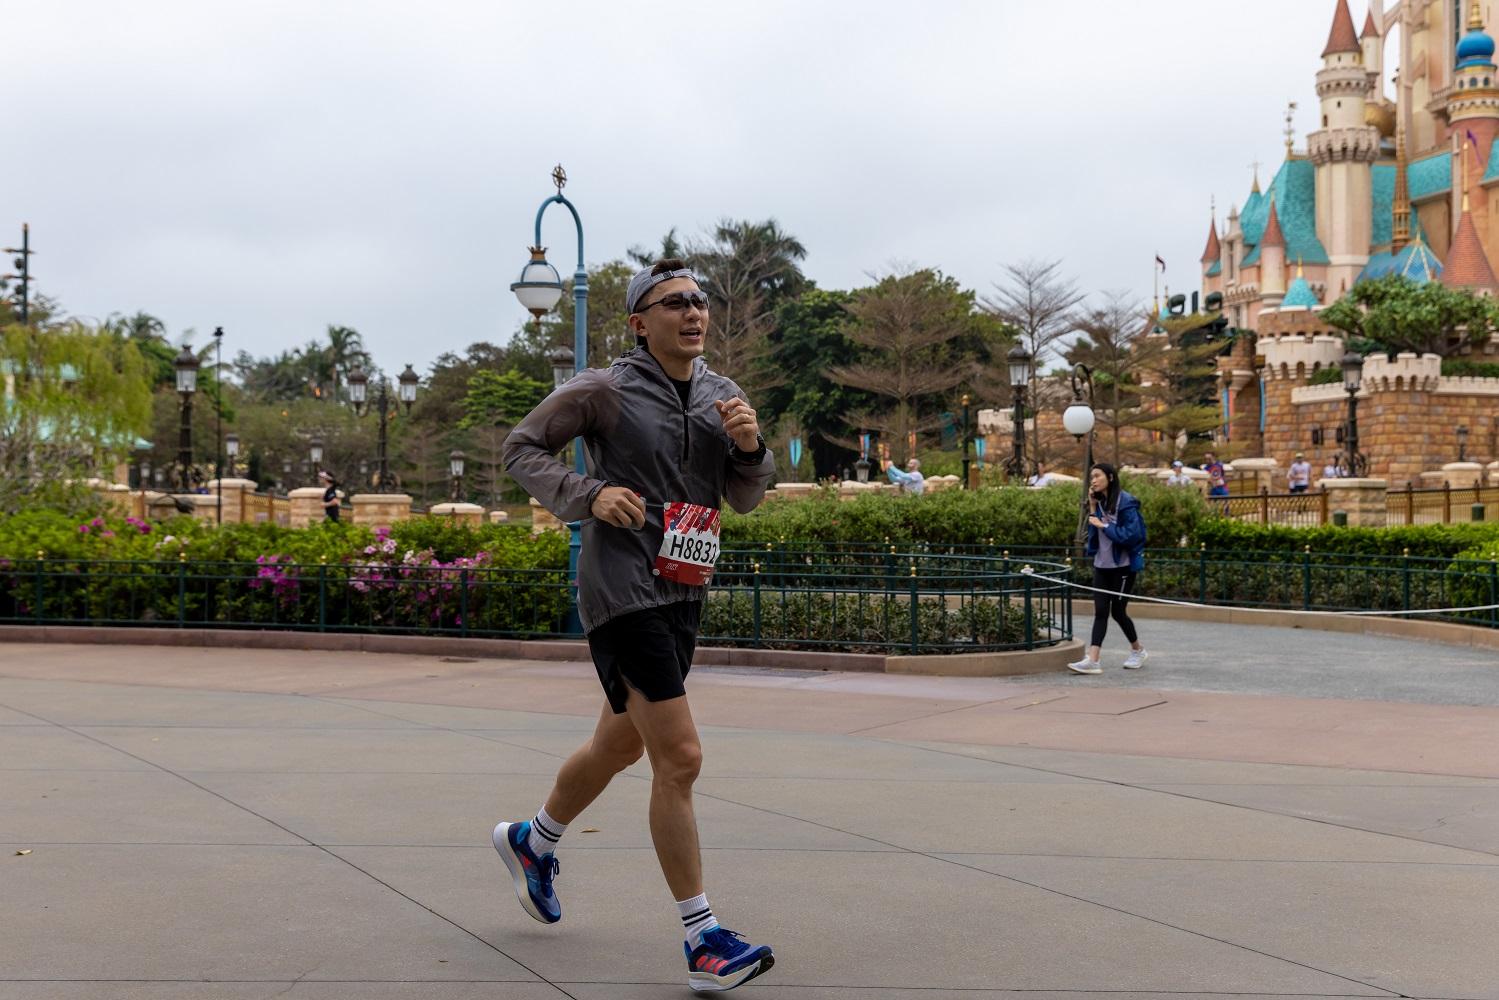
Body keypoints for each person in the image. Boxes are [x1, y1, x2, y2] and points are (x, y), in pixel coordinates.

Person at [497, 258, 777, 993]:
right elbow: (520, 449)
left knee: (616, 743)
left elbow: (743, 497)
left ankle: (534, 841)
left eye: (699, 301)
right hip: (622, 590)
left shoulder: (723, 395)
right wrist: (588, 494)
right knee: (678, 758)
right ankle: (703, 938)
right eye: (673, 302)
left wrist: (749, 447)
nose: (693, 312)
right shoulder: (604, 389)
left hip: (684, 585)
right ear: (638, 320)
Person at [1068, 462, 1148, 675]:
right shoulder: (1099, 503)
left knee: (1119, 612)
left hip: (1122, 567)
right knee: (1101, 612)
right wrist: (1092, 508)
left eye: (1097, 476)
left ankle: (1138, 650)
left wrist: (1105, 526)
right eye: (1091, 477)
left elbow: (1132, 535)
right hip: (1102, 565)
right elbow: (1094, 534)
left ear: (1110, 477)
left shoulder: (1127, 502)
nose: (1092, 480)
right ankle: (1093, 660)